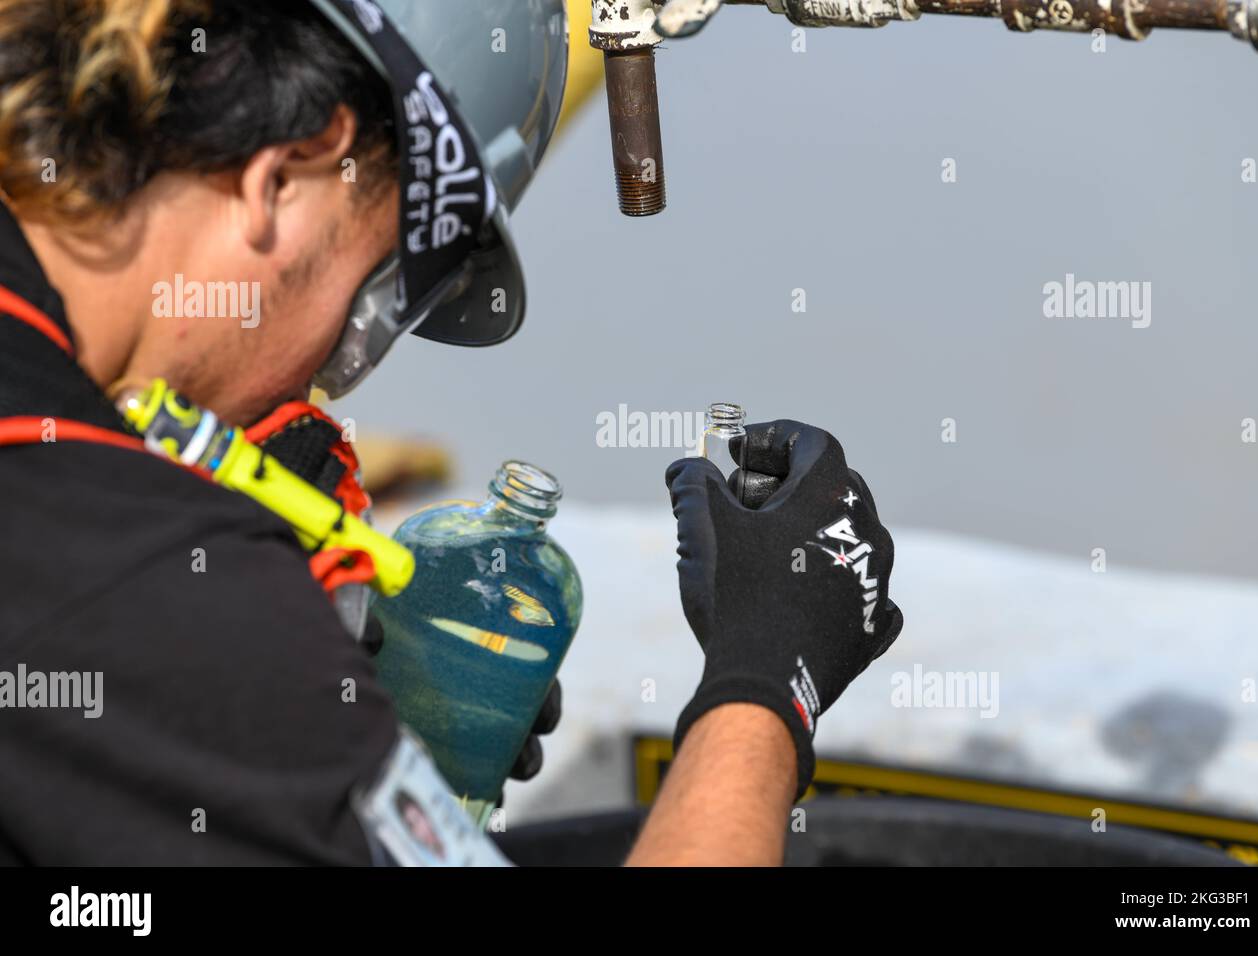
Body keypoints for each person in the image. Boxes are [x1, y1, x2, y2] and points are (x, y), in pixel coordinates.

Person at [0, 0, 902, 866]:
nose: (342, 369)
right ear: (286, 174)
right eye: (374, 303)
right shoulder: (130, 580)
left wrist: (305, 712)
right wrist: (765, 679)